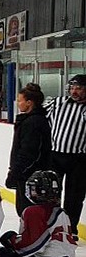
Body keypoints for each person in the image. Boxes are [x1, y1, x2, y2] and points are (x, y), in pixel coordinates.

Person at [46, 74, 86, 229]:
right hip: (55, 155)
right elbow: (41, 117)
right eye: (72, 87)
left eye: (79, 88)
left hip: (79, 159)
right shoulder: (58, 102)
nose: (74, 91)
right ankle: (51, 226)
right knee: (50, 193)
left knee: (74, 197)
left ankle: (69, 228)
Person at [6, 83, 50, 214]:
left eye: (20, 100)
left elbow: (28, 153)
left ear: (29, 103)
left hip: (30, 176)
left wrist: (15, 173)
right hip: (27, 175)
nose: (18, 103)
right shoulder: (31, 120)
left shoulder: (33, 122)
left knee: (28, 211)